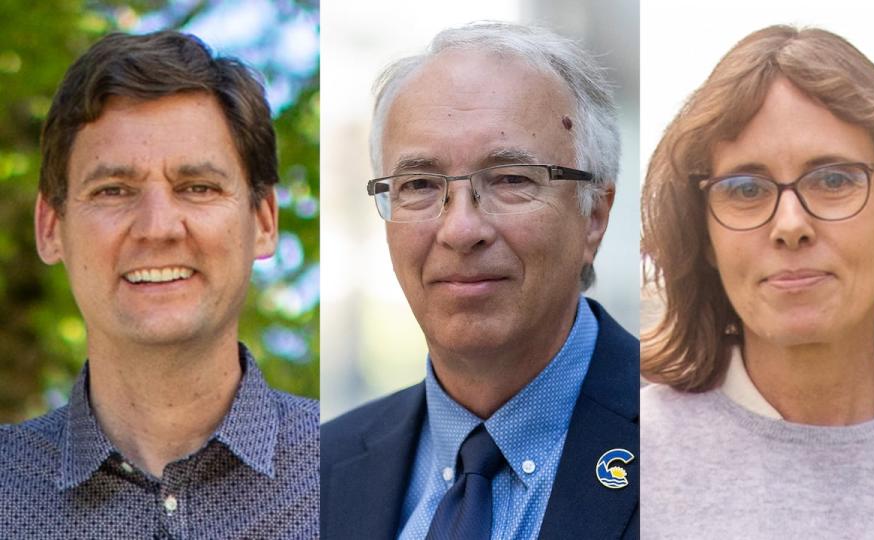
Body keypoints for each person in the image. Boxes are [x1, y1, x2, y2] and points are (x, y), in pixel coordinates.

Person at [320, 22, 638, 539]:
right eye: (420, 185)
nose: (461, 228)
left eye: (512, 179)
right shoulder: (325, 465)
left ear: (595, 216)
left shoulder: (696, 450)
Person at [640, 24, 874, 538]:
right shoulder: (619, 460)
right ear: (705, 239)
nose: (790, 225)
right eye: (745, 188)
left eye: (834, 180)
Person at [0, 31, 319, 538]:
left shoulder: (367, 475)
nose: (157, 226)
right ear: (49, 227)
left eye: (197, 187)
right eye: (113, 190)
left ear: (263, 220)